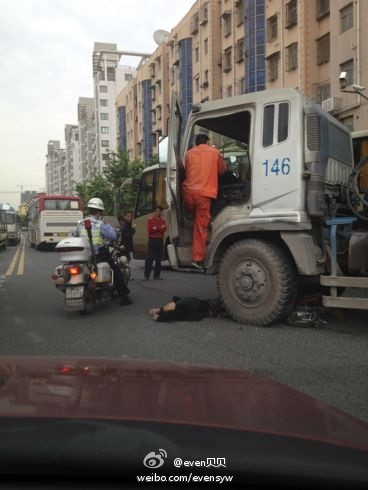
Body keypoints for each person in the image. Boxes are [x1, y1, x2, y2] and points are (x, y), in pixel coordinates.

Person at [74, 197, 132, 306]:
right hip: (98, 254)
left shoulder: (80, 223)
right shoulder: (100, 223)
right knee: (116, 270)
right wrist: (106, 223)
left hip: (84, 255)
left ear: (90, 209)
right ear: (100, 211)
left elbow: (75, 237)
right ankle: (124, 297)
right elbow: (113, 236)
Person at [182, 134, 227, 270]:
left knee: (195, 216)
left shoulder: (189, 154)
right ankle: (197, 258)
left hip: (188, 193)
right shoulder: (214, 152)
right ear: (207, 142)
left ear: (196, 143)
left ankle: (191, 217)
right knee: (201, 226)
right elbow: (222, 170)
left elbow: (186, 170)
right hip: (204, 195)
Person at [149, 296, 224, 322]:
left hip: (205, 302)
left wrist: (159, 310)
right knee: (223, 305)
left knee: (221, 302)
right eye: (153, 312)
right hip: (207, 306)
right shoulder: (178, 311)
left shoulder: (174, 303)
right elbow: (172, 315)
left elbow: (175, 298)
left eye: (153, 310)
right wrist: (159, 318)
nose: (168, 304)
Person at [144, 206, 167, 280]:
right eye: (157, 211)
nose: (158, 213)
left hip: (160, 240)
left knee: (159, 259)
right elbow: (150, 229)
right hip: (152, 240)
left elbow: (164, 229)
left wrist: (156, 228)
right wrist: (159, 228)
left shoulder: (163, 220)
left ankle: (157, 275)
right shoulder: (150, 219)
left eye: (160, 211)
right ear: (154, 212)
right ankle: (146, 275)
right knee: (150, 258)